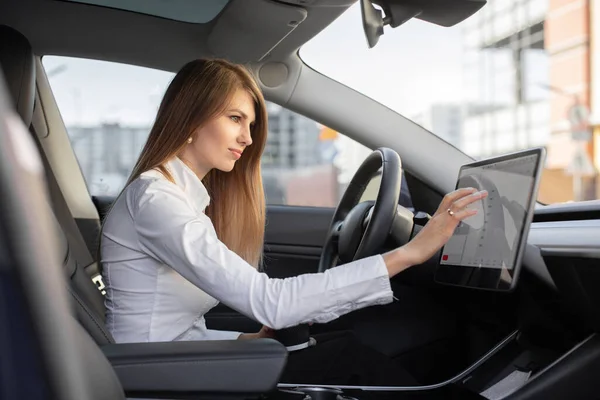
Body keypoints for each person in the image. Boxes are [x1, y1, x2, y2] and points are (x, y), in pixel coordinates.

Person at [100, 58, 487, 386]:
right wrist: (412, 252)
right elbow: (271, 304)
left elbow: (174, 326)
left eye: (250, 124)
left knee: (340, 347)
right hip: (151, 380)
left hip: (167, 366)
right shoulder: (156, 199)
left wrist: (244, 339)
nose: (248, 138)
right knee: (350, 362)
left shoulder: (177, 197)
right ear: (190, 119)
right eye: (236, 118)